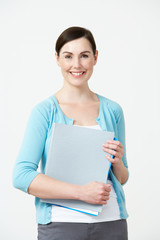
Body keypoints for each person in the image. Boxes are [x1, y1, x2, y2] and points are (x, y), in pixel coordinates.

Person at [12, 26, 129, 240]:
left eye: (84, 55)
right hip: (61, 224)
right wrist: (81, 193)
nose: (77, 65)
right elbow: (21, 176)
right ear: (57, 59)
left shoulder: (113, 110)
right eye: (68, 56)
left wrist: (118, 162)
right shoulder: (45, 111)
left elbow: (122, 177)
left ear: (95, 57)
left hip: (112, 222)